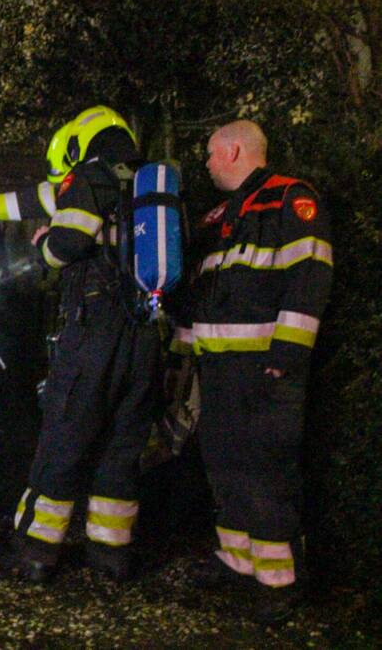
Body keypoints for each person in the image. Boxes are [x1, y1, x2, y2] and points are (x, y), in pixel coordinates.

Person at [172, 120, 332, 624]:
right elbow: (202, 291)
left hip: (265, 368)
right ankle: (238, 560)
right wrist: (184, 351)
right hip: (219, 368)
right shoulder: (219, 215)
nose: (206, 164)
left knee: (266, 472)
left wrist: (286, 355)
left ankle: (280, 583)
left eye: (210, 154)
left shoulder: (290, 199)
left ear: (234, 150)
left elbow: (310, 274)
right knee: (224, 465)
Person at [4, 105, 164, 583]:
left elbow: (67, 245)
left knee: (64, 436)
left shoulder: (90, 176)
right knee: (122, 445)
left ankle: (36, 553)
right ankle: (111, 555)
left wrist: (43, 244)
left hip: (95, 329)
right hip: (146, 332)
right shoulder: (149, 182)